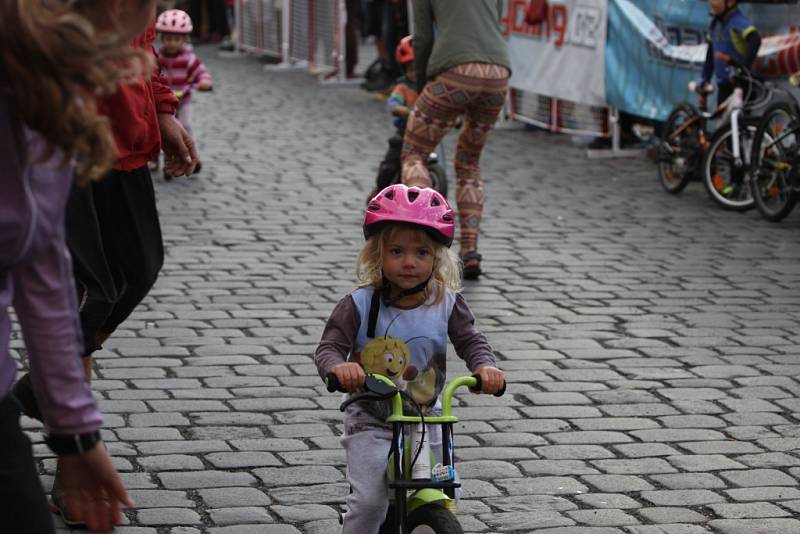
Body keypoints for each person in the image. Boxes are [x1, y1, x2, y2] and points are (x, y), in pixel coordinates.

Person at [12, 4, 201, 527]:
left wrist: (161, 111)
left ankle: (41, 392)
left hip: (125, 147)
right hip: (67, 142)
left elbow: (143, 49)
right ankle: (71, 469)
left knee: (136, 271)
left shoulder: (136, 17)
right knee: (87, 289)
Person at [315, 184, 505, 534]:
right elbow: (328, 348)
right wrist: (338, 368)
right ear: (377, 255)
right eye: (397, 251)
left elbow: (470, 339)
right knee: (369, 503)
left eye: (421, 253)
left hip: (425, 416)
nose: (408, 262)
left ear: (436, 258)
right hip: (371, 415)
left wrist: (485, 366)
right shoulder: (358, 304)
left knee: (441, 490)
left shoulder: (446, 303)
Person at [401, 0, 511, 280]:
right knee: (469, 161)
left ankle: (423, 241)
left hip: (454, 70)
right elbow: (495, 21)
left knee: (415, 153)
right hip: (497, 71)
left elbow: (423, 37)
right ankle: (470, 251)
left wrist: (422, 85)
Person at [155, 9, 213, 135]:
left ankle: (186, 149)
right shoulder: (157, 57)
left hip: (183, 100)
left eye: (177, 39)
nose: (172, 43)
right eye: (168, 39)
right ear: (161, 38)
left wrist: (204, 81)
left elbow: (201, 71)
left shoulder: (188, 58)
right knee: (160, 130)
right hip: (163, 101)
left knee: (185, 125)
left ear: (184, 40)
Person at [700, 0, 762, 106]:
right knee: (723, 120)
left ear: (730, 2)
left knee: (741, 119)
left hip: (740, 83)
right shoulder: (715, 23)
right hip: (723, 84)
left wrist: (744, 66)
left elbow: (755, 39)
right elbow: (711, 54)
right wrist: (705, 78)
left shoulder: (736, 20)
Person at [387, 35, 418, 129]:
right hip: (406, 126)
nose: (415, 73)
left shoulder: (430, 85)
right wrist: (402, 110)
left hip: (427, 128)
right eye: (411, 69)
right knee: (396, 141)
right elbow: (393, 103)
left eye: (419, 69)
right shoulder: (403, 87)